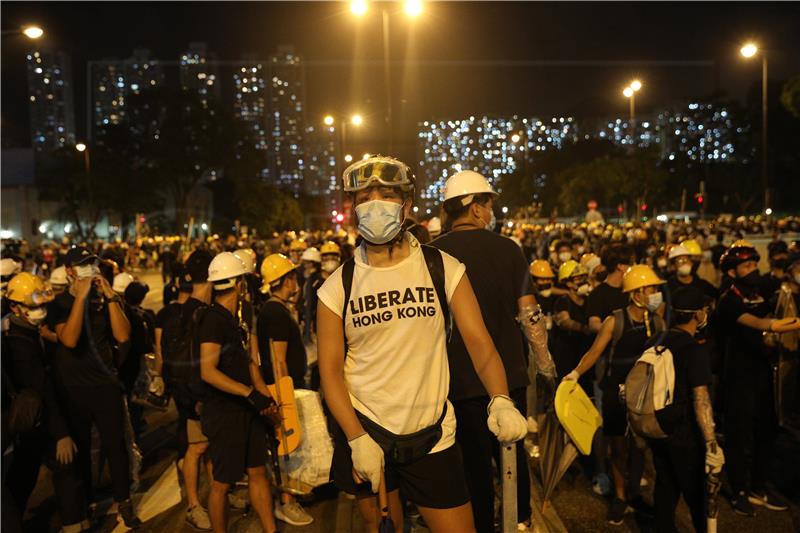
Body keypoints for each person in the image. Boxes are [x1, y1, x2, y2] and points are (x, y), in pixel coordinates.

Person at [317, 156, 527, 533]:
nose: (375, 204)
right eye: (365, 197)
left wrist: (500, 398)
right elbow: (330, 371)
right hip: (368, 434)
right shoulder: (336, 288)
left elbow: (480, 343)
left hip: (433, 437)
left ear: (406, 205)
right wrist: (356, 437)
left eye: (387, 195)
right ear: (352, 209)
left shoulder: (442, 267)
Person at [431, 169, 541, 531]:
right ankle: (520, 520)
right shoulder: (508, 248)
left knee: (473, 462)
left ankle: (480, 524)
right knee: (512, 455)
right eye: (488, 204)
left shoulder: (434, 254)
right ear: (476, 208)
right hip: (507, 374)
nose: (491, 212)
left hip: (458, 378)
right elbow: (529, 312)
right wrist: (544, 358)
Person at [564, 265, 665, 525]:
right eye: (652, 289)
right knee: (618, 448)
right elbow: (595, 352)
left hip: (644, 392)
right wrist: (575, 374)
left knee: (640, 447)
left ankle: (634, 494)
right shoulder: (615, 320)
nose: (656, 294)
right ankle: (620, 497)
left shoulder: (657, 320)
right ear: (638, 293)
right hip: (615, 390)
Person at [49, 246, 141, 528]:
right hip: (75, 389)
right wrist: (80, 297)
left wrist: (110, 295)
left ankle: (124, 502)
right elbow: (70, 339)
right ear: (69, 271)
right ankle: (86, 503)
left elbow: (123, 335)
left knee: (116, 447)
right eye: (83, 265)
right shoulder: (59, 304)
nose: (89, 269)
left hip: (105, 387)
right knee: (84, 449)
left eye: (92, 264)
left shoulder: (105, 301)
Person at [199, 252, 281, 533]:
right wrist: (249, 393)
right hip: (225, 413)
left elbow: (248, 362)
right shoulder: (213, 320)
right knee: (222, 484)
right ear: (240, 284)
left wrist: (265, 397)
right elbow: (207, 371)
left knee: (258, 472)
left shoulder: (236, 319)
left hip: (248, 411)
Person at [716, 241, 800, 516]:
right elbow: (758, 323)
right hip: (739, 377)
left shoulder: (760, 290)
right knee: (740, 436)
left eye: (754, 264)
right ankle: (739, 490)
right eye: (746, 266)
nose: (753, 269)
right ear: (732, 272)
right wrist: (778, 325)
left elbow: (780, 302)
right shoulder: (729, 299)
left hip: (764, 374)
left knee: (767, 431)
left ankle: (758, 487)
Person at [2, 273, 88, 533]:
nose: (40, 311)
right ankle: (73, 524)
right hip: (39, 419)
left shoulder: (26, 332)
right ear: (15, 308)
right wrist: (61, 432)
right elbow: (43, 389)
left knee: (22, 474)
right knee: (63, 467)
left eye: (42, 305)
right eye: (33, 307)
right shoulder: (19, 343)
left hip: (30, 422)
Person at [648, 287, 724, 533]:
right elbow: (700, 398)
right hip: (685, 433)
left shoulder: (655, 341)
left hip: (657, 426)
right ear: (697, 315)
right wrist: (711, 441)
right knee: (697, 496)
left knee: (665, 488)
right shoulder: (694, 349)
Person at [253, 253, 313, 526]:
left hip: (281, 389)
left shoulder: (271, 308)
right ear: (285, 280)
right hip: (285, 390)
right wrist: (287, 400)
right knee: (290, 447)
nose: (296, 281)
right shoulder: (275, 312)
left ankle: (292, 495)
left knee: (288, 447)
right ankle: (288, 502)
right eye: (292, 277)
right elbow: (278, 361)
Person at [585, 243, 633, 334]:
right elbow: (594, 324)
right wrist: (618, 329)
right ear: (620, 266)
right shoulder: (598, 294)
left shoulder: (631, 290)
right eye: (630, 264)